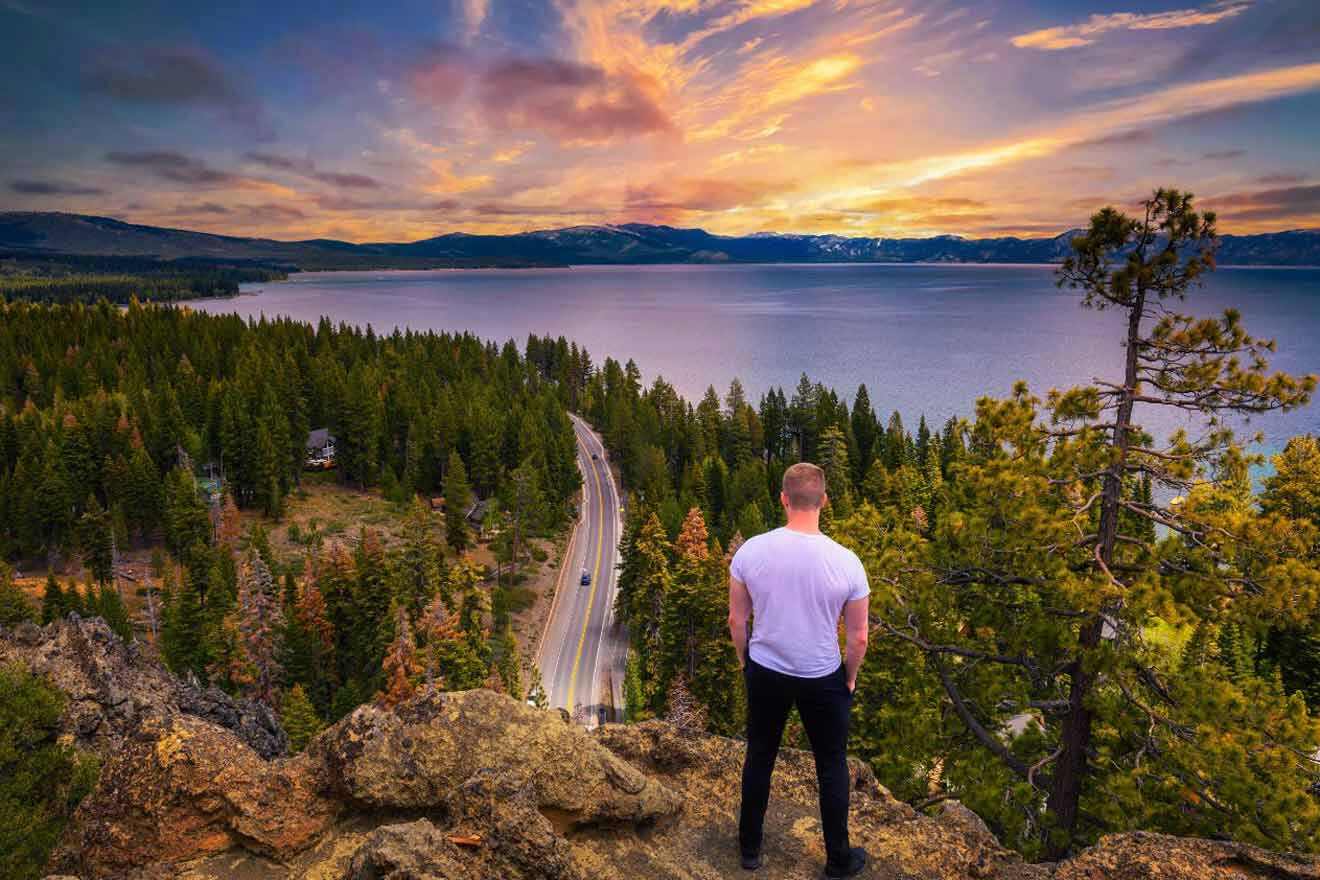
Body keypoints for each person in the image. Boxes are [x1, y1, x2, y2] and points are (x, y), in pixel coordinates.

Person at [728, 461, 870, 878]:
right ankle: (838, 860)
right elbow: (859, 637)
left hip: (767, 669)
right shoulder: (847, 562)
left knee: (760, 756)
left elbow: (737, 621)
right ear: (824, 500)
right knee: (830, 765)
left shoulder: (751, 551)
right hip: (822, 674)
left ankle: (750, 850)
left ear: (784, 499)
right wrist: (849, 676)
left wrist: (744, 661)